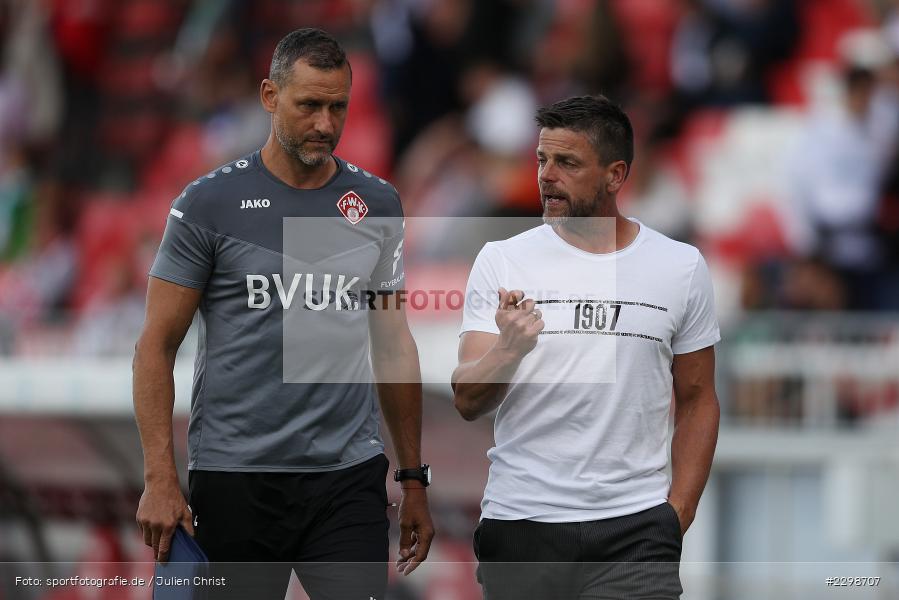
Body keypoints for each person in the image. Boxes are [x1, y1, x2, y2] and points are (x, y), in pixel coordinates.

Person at [133, 28, 434, 600]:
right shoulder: (208, 204)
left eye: (338, 107)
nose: (325, 123)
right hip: (236, 478)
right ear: (270, 96)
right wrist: (159, 477)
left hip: (347, 479)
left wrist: (413, 478)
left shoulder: (377, 204)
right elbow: (155, 345)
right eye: (309, 105)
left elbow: (393, 344)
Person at [452, 95, 720, 600]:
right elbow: (467, 398)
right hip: (522, 525)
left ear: (615, 175)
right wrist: (509, 349)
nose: (546, 176)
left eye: (567, 163)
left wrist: (677, 513)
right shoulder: (501, 259)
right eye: (541, 160)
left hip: (635, 529)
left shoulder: (680, 267)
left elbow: (699, 398)